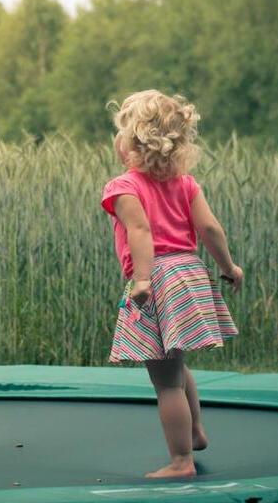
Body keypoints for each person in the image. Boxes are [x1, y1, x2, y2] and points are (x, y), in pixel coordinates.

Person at [100, 90, 242, 478]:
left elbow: (140, 231)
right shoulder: (186, 183)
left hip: (158, 276)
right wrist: (229, 266)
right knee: (177, 363)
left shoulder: (123, 187)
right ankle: (194, 431)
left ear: (129, 143)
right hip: (190, 272)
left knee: (165, 382)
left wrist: (142, 279)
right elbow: (210, 228)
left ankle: (181, 461)